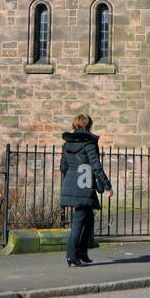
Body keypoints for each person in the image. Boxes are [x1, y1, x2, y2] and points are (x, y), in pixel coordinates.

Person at [59, 114, 113, 267]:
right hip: (83, 184)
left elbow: (63, 167)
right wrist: (107, 185)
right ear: (88, 126)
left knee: (88, 217)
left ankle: (82, 251)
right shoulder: (89, 144)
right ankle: (72, 256)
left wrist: (68, 183)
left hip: (72, 182)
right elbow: (96, 166)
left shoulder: (67, 144)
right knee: (79, 220)